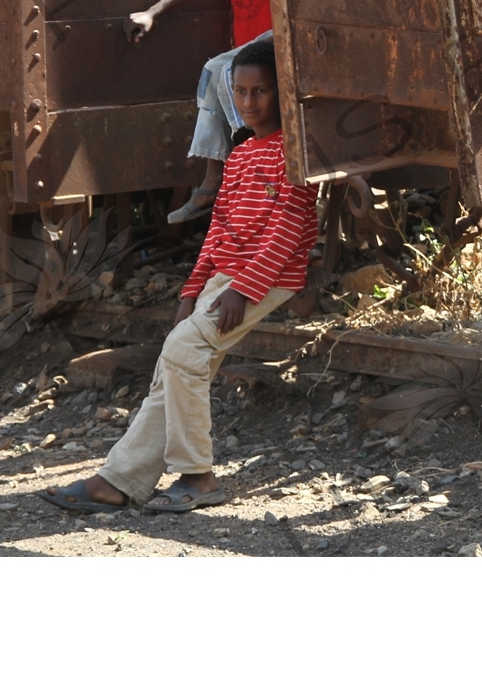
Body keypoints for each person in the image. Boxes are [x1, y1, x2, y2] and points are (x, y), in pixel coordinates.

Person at [41, 38, 318, 514]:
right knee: (173, 371)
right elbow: (219, 228)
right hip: (226, 279)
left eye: (261, 92)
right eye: (241, 93)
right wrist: (192, 291)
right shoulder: (242, 154)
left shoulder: (292, 155)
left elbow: (287, 232)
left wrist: (241, 290)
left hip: (265, 278)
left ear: (282, 93)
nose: (249, 103)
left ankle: (199, 476)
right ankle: (119, 482)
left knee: (183, 350)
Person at [125, 0, 271, 221]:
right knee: (214, 75)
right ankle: (211, 181)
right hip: (250, 52)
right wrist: (153, 12)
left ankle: (242, 171)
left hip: (275, 45)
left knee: (222, 73)